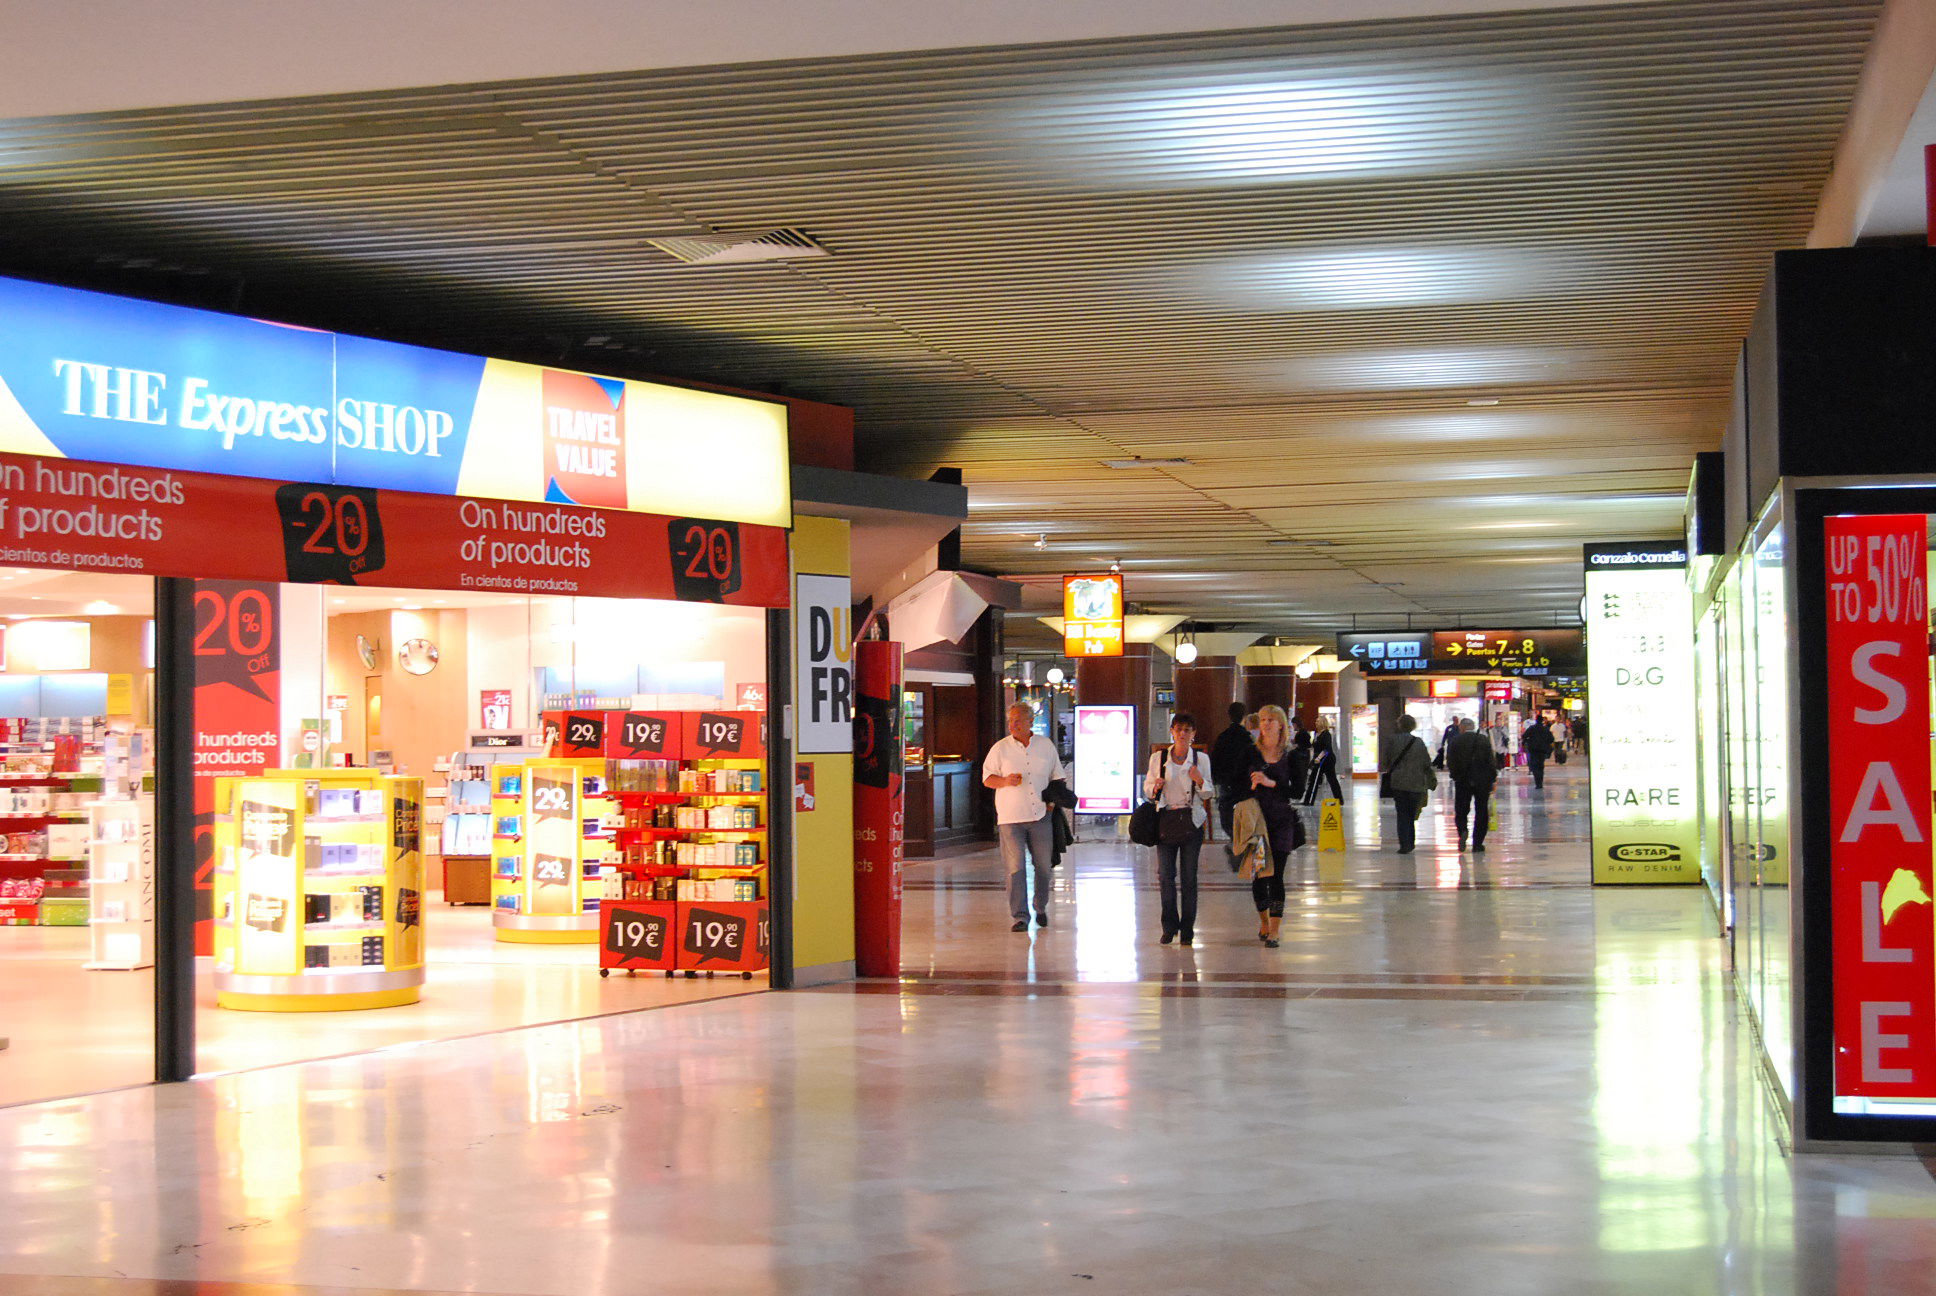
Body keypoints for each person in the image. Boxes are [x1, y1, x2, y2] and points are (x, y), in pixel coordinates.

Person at [983, 702, 1066, 932]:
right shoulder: (1000, 748)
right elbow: (987, 778)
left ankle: (1040, 906)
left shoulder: (1045, 746)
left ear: (1030, 721)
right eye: (1010, 720)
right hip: (1010, 818)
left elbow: (1058, 777)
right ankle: (1020, 916)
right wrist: (1005, 781)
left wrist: (1051, 803)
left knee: (1043, 867)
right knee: (1015, 867)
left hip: (1040, 815)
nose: (1013, 725)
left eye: (1018, 720)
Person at [1145, 713, 1213, 946]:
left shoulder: (1200, 759)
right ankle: (1169, 926)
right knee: (1165, 876)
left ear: (1193, 734)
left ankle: (1187, 929)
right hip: (1166, 821)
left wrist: (1200, 780)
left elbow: (1208, 793)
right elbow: (1147, 789)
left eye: (1187, 730)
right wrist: (1155, 787)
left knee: (1188, 877)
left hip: (1191, 821)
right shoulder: (1159, 757)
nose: (1182, 734)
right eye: (1178, 729)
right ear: (1172, 731)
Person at [1246, 704, 1308, 948]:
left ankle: (1274, 929)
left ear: (1281, 724)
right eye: (1262, 720)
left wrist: (1270, 783)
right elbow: (1237, 785)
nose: (1266, 724)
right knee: (1260, 875)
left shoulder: (1292, 755)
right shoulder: (1251, 754)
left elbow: (1297, 790)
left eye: (1271, 720)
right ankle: (1263, 921)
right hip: (1257, 821)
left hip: (1281, 821)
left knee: (1277, 875)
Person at [1380, 714, 1437, 854]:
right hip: (1416, 784)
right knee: (1411, 814)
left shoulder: (1393, 741)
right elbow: (1426, 763)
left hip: (1398, 783)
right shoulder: (1419, 742)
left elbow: (1385, 762)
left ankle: (1405, 844)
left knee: (1402, 814)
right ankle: (1411, 841)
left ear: (1400, 725)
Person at [1445, 718, 1498, 853]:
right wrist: (1492, 779)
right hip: (1482, 781)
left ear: (1462, 727)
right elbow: (1491, 761)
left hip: (1463, 780)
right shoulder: (1483, 740)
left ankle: (1462, 830)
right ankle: (1478, 843)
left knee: (1461, 808)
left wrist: (1455, 775)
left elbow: (1450, 761)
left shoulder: (1455, 741)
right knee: (1481, 810)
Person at [1208, 701, 1255, 842]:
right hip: (1244, 786)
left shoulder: (1223, 737)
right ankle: (1241, 842)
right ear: (1244, 717)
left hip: (1226, 784)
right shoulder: (1247, 738)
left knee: (1227, 818)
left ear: (1229, 715)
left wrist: (1217, 779)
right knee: (1245, 818)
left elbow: (1215, 760)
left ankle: (1235, 841)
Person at [1302, 715, 1344, 805]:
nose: (1315, 723)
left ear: (1322, 722)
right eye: (1316, 721)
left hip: (1327, 760)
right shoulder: (1317, 734)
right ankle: (1308, 801)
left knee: (1332, 780)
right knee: (1314, 779)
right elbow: (1315, 747)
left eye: (1318, 721)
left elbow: (1326, 749)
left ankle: (1339, 800)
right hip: (1318, 759)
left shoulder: (1326, 734)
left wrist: (1318, 758)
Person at [1521, 714, 1555, 790]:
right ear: (1542, 721)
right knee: (1541, 766)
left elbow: (1524, 736)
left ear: (1536, 720)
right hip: (1542, 750)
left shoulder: (1532, 728)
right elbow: (1551, 739)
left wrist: (1528, 741)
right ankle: (1540, 782)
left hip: (1533, 750)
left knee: (1535, 765)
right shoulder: (1545, 729)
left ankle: (1537, 782)